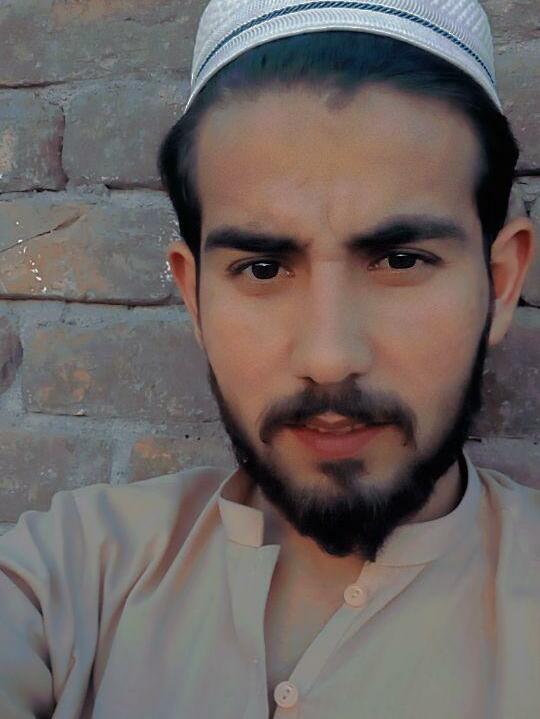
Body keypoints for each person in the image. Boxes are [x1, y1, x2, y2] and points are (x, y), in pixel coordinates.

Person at [0, 1, 538, 717]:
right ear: (194, 299)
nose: (329, 358)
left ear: (500, 284)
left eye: (400, 260)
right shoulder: (72, 575)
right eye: (262, 269)